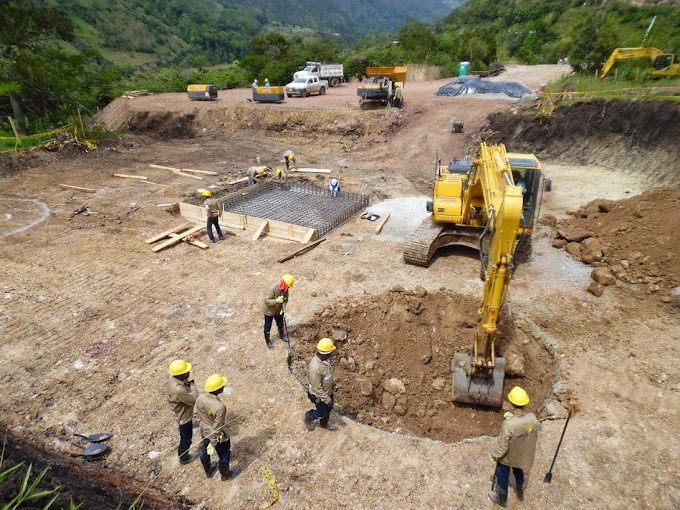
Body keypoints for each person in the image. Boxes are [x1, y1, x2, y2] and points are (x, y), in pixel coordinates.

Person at [488, 386, 540, 507]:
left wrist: (494, 456)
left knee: (502, 474)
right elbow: (531, 431)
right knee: (518, 470)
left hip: (509, 457)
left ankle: (501, 499)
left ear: (511, 404)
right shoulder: (532, 417)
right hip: (522, 453)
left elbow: (502, 445)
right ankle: (520, 491)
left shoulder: (509, 424)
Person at [195, 374, 241, 481]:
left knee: (205, 451)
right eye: (222, 386)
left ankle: (208, 470)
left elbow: (196, 415)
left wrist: (205, 428)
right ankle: (225, 474)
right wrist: (213, 442)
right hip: (218, 437)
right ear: (218, 389)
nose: (223, 387)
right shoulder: (220, 407)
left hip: (205, 432)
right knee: (224, 454)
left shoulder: (200, 398)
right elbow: (217, 427)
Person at [167, 359, 200, 465]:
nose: (189, 373)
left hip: (178, 409)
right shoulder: (178, 390)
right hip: (184, 416)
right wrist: (192, 384)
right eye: (187, 372)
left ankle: (183, 456)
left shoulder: (172, 378)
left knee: (185, 436)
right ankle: (184, 458)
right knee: (186, 438)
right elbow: (194, 399)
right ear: (180, 375)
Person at [303, 338, 337, 432]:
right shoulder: (315, 368)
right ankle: (310, 416)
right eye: (330, 352)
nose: (331, 354)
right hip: (319, 396)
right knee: (321, 412)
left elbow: (326, 376)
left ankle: (324, 424)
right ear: (326, 353)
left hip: (327, 392)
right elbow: (316, 387)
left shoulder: (325, 360)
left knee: (328, 409)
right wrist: (327, 400)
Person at [262, 274, 294, 349]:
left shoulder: (285, 289)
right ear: (284, 284)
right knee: (267, 326)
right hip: (269, 311)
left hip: (278, 310)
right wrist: (276, 301)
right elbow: (267, 301)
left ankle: (282, 335)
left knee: (280, 323)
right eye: (288, 286)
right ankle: (268, 341)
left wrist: (284, 309)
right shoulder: (273, 288)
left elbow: (286, 300)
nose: (288, 288)